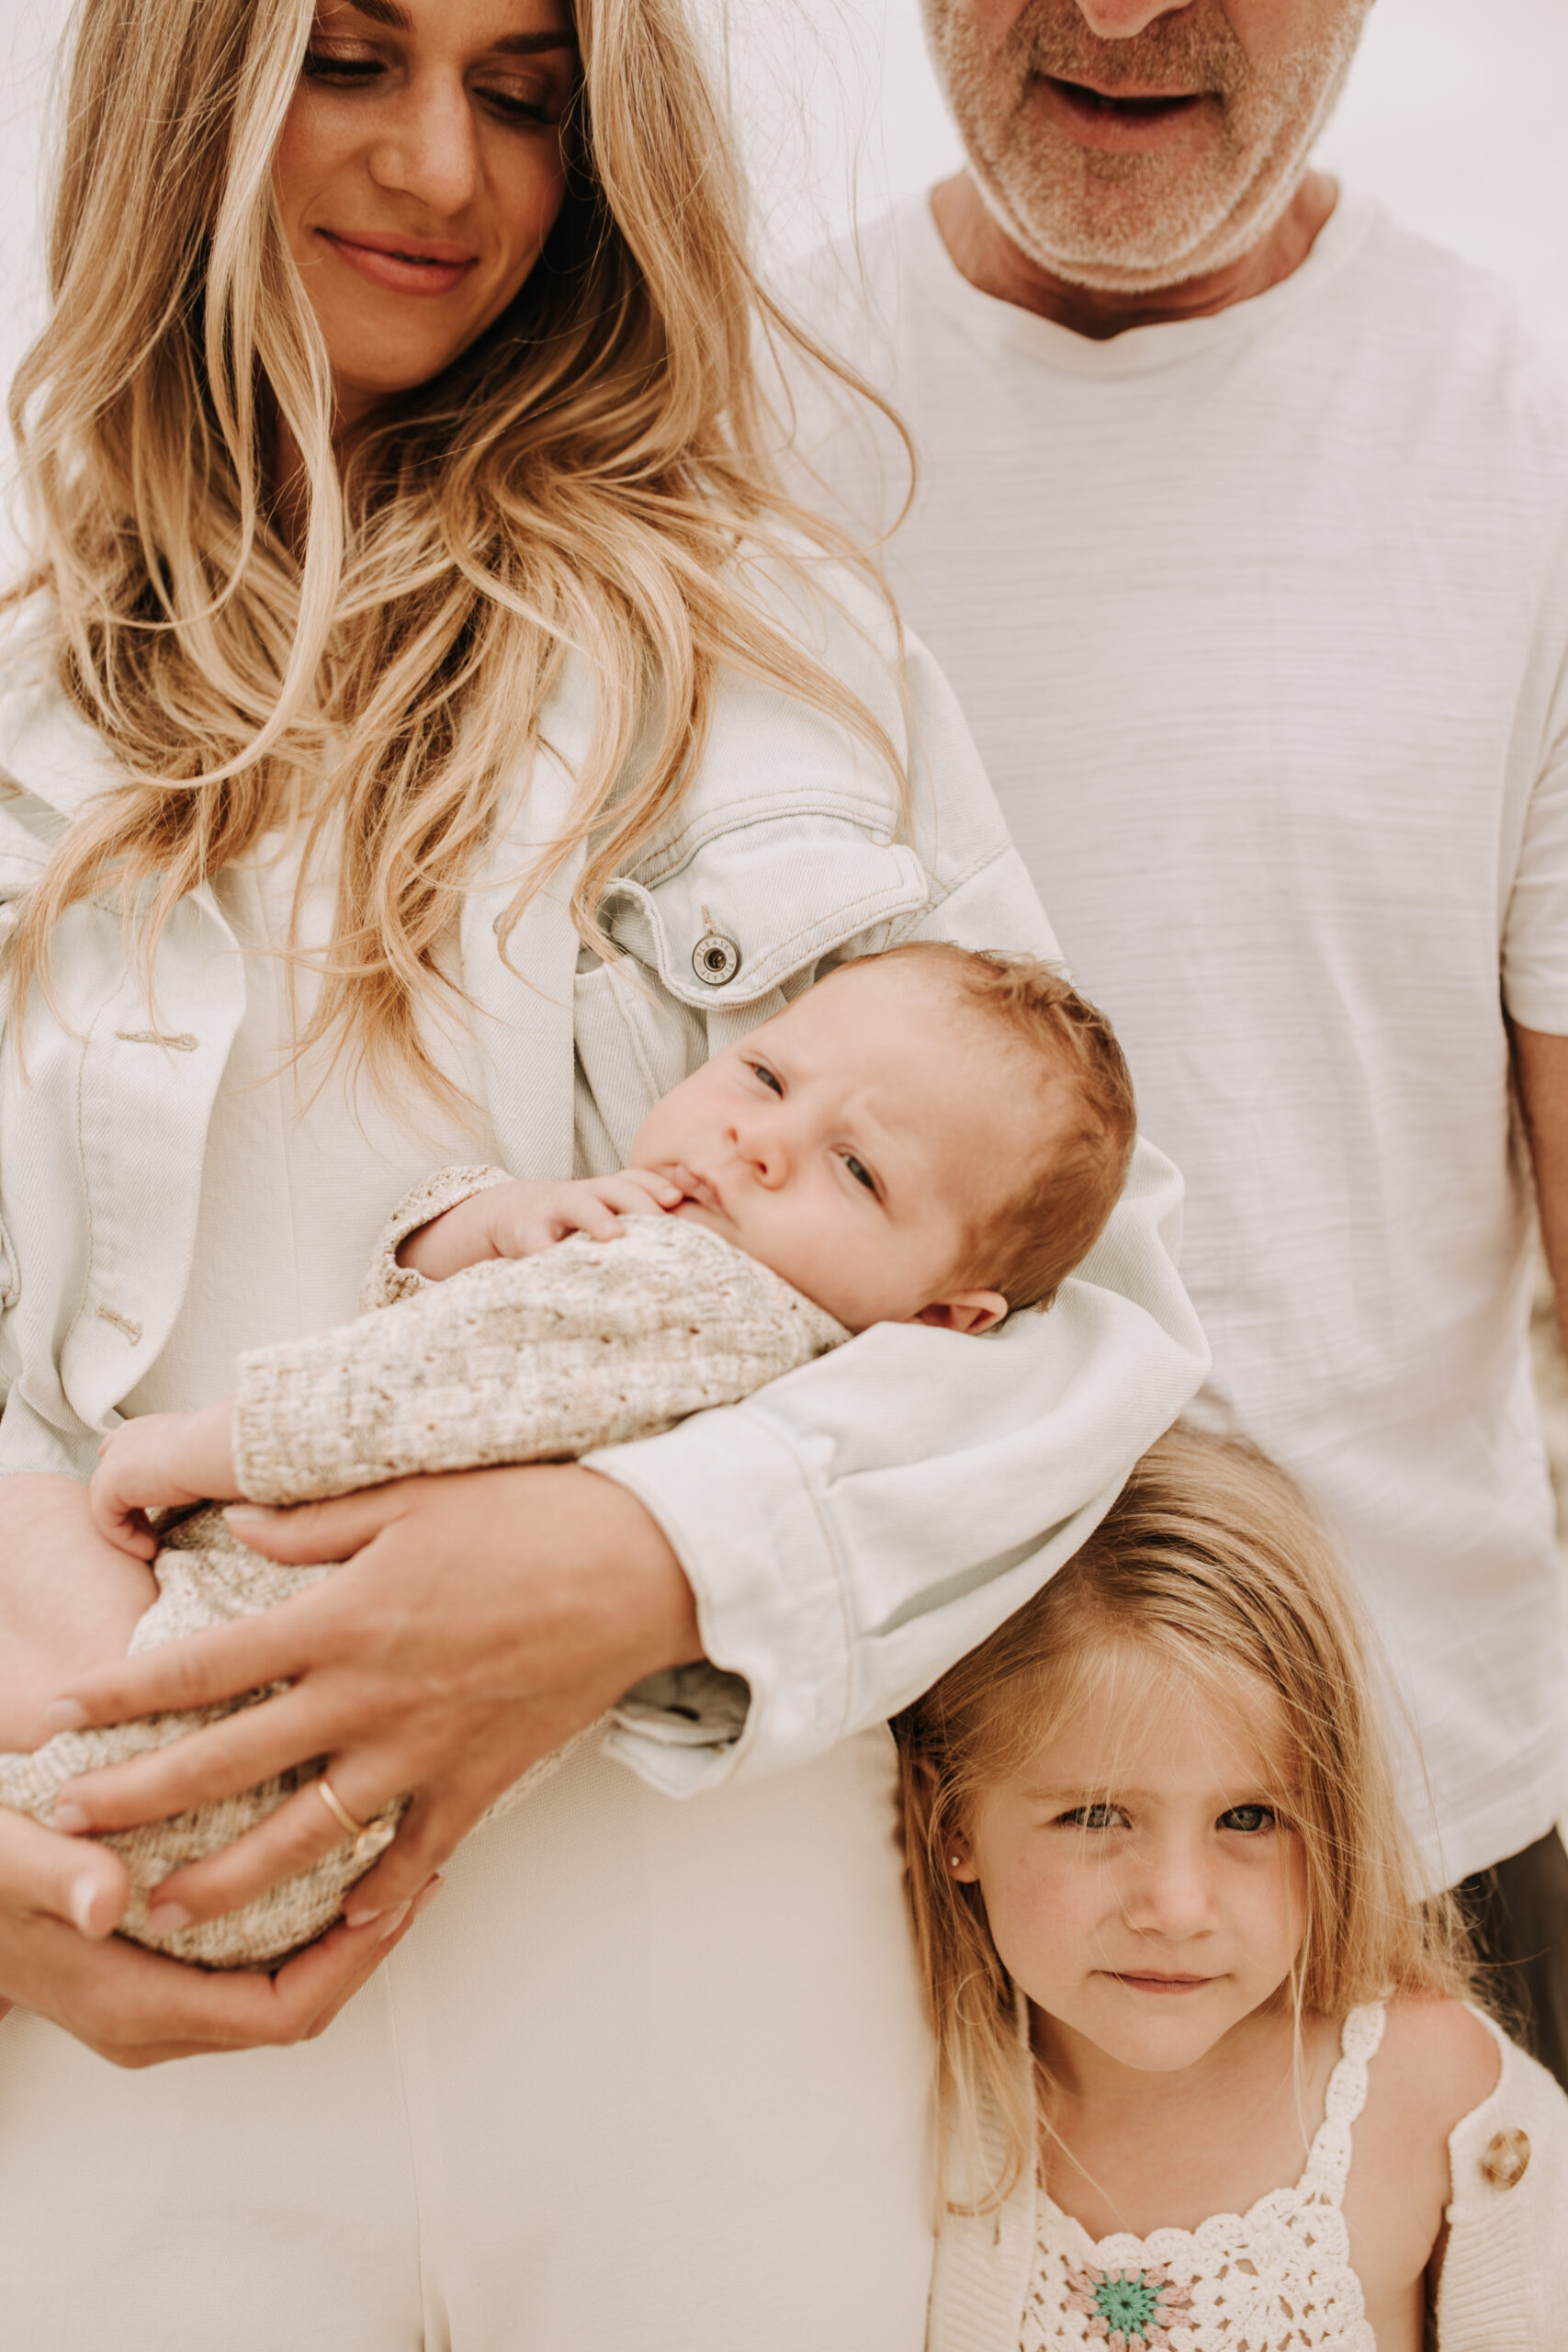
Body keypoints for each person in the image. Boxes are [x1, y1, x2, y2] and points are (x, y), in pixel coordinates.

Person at [0, 0, 1206, 2343]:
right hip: (135, 1992)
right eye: (347, 60)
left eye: (523, 90)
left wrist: (641, 1551)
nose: (441, 168)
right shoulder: (19, 656)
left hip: (691, 1956)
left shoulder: (755, 630)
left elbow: (1086, 1309)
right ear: (186, 87)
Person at [785, 0, 1568, 2083]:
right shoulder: (722, 427)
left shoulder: (1522, 442)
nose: (1119, 14)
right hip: (827, 1874)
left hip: (1409, 1858)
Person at [3, 944, 1136, 1971]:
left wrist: (198, 1446)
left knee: (30, 1519)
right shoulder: (786, 1373)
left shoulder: (701, 1292)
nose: (761, 1143)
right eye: (765, 1077)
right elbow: (486, 1369)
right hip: (278, 1857)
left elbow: (416, 1390)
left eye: (858, 1170)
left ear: (947, 1317)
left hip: (204, 1712)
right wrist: (486, 1224)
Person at [896, 1429, 1568, 2351]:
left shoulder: (1438, 2095)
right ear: (954, 1822)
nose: (1176, 1907)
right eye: (1096, 1816)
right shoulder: (912, 2094)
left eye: (1249, 1819)